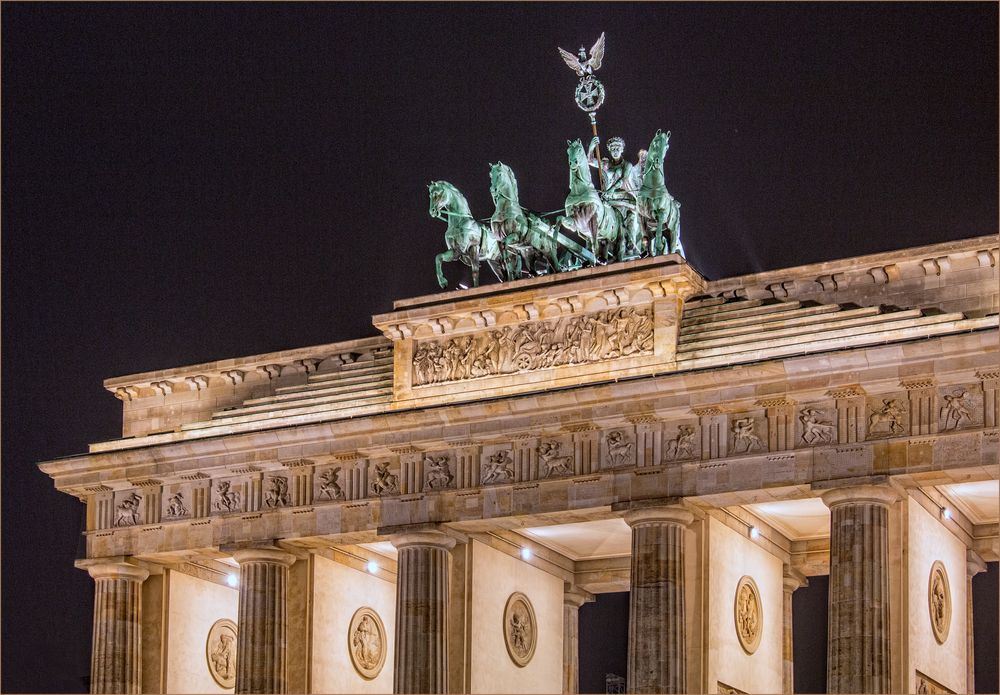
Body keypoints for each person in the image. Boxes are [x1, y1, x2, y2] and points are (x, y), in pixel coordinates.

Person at [587, 136, 641, 258]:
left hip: (625, 199)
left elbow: (623, 179)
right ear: (610, 150)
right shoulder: (605, 164)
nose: (615, 150)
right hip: (609, 201)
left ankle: (631, 241)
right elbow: (590, 160)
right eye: (613, 148)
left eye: (618, 148)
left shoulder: (627, 165)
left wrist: (611, 189)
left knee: (631, 218)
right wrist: (591, 147)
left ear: (622, 150)